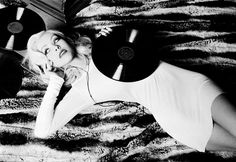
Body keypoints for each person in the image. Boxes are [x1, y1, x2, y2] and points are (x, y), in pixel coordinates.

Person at [25, 27, 236, 153]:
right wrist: (54, 83)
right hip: (176, 117)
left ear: (67, 39)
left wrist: (117, 33)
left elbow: (143, 42)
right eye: (47, 50)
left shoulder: (104, 45)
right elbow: (42, 131)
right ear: (47, 61)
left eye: (56, 40)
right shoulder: (81, 92)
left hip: (191, 85)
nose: (56, 48)